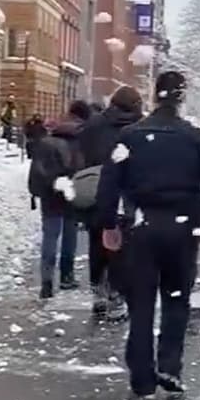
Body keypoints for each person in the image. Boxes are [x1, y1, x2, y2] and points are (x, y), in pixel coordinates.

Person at [94, 72, 200, 400]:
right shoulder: (197, 138)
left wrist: (108, 224)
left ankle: (142, 383)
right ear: (181, 98)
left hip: (141, 226)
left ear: (155, 96)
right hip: (182, 230)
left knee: (140, 305)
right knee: (176, 300)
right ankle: (169, 366)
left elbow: (108, 183)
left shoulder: (131, 136)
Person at [76, 85, 144, 320]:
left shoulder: (94, 124)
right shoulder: (141, 127)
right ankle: (117, 292)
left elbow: (81, 152)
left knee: (97, 241)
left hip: (97, 187)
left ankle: (98, 290)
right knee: (124, 246)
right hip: (128, 193)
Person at [29, 101, 91, 298]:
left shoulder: (46, 142)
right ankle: (67, 276)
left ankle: (46, 282)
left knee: (50, 237)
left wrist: (43, 189)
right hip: (72, 194)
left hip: (50, 195)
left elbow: (36, 172)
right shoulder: (83, 142)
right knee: (69, 236)